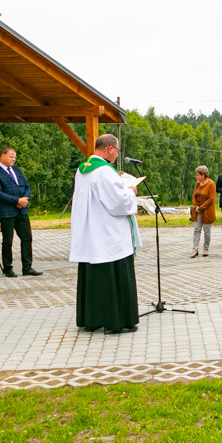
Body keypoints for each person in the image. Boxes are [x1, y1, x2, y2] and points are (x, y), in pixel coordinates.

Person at [70, 134, 141, 334]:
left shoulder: (83, 169)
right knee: (114, 276)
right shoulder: (105, 172)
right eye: (117, 151)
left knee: (94, 277)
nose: (117, 155)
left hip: (92, 234)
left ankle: (91, 319)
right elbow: (118, 202)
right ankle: (116, 321)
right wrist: (131, 191)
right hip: (109, 235)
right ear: (110, 149)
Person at [0, 146, 43, 277]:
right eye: (11, 156)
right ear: (2, 156)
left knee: (27, 238)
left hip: (21, 211)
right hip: (7, 212)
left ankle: (27, 267)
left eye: (15, 157)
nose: (14, 159)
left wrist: (24, 199)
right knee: (8, 240)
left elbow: (27, 186)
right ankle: (7, 268)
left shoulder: (17, 171)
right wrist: (16, 200)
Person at [190, 165, 215, 258]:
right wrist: (196, 206)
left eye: (197, 175)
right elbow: (194, 195)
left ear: (203, 175)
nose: (196, 176)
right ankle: (195, 249)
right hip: (197, 211)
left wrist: (201, 208)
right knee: (196, 229)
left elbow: (211, 199)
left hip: (207, 211)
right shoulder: (197, 184)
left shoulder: (211, 184)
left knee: (207, 230)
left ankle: (205, 249)